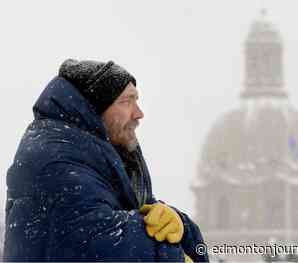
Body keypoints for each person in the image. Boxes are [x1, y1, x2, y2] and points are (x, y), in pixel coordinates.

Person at [3, 59, 209, 262]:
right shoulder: (55, 159)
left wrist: (181, 227)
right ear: (93, 108)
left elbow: (138, 218)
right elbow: (95, 245)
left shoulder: (101, 159)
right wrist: (174, 256)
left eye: (136, 101)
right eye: (126, 101)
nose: (139, 113)